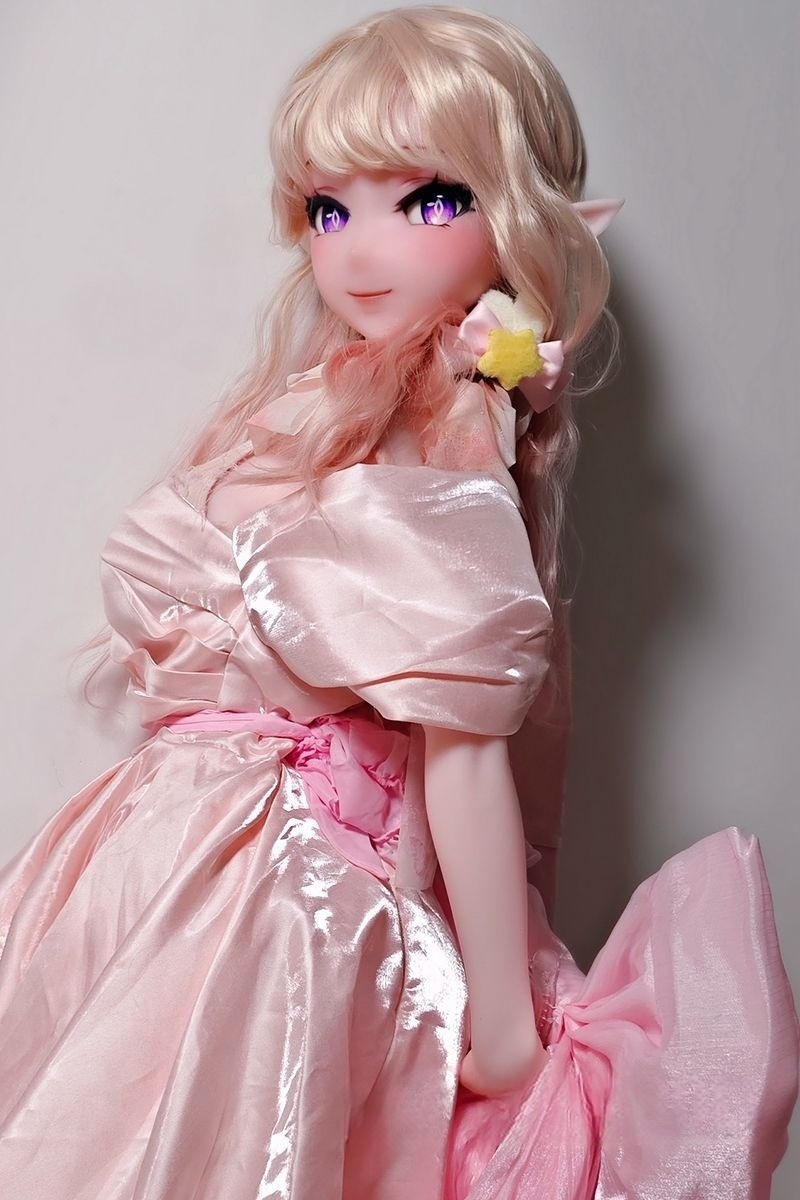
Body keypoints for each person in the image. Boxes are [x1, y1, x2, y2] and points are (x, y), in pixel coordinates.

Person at [0, 6, 796, 1198]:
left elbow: (459, 739)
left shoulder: (451, 415)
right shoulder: (333, 397)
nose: (359, 251)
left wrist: (501, 1014)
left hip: (285, 886)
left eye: (426, 201)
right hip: (167, 855)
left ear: (513, 216)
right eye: (329, 210)